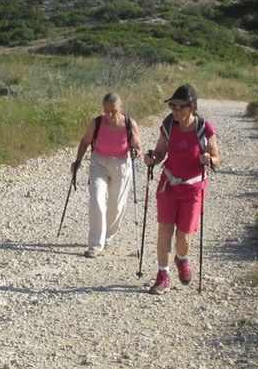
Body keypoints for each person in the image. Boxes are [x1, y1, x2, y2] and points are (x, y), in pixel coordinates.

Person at [143, 84, 220, 294]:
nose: (175, 111)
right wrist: (152, 159)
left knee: (183, 238)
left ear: (192, 106)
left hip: (193, 188)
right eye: (172, 106)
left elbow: (217, 159)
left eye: (179, 107)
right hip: (169, 185)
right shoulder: (168, 125)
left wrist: (208, 159)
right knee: (165, 231)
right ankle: (163, 275)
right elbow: (160, 153)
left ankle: (182, 258)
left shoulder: (204, 128)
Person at [71, 92, 143, 258]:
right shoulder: (97, 123)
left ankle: (108, 234)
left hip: (122, 165)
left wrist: (136, 152)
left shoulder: (129, 124)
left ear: (121, 108)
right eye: (106, 111)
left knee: (116, 206)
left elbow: (138, 146)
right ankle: (95, 244)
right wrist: (78, 161)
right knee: (96, 198)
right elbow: (85, 141)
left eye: (114, 111)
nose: (110, 115)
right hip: (99, 163)